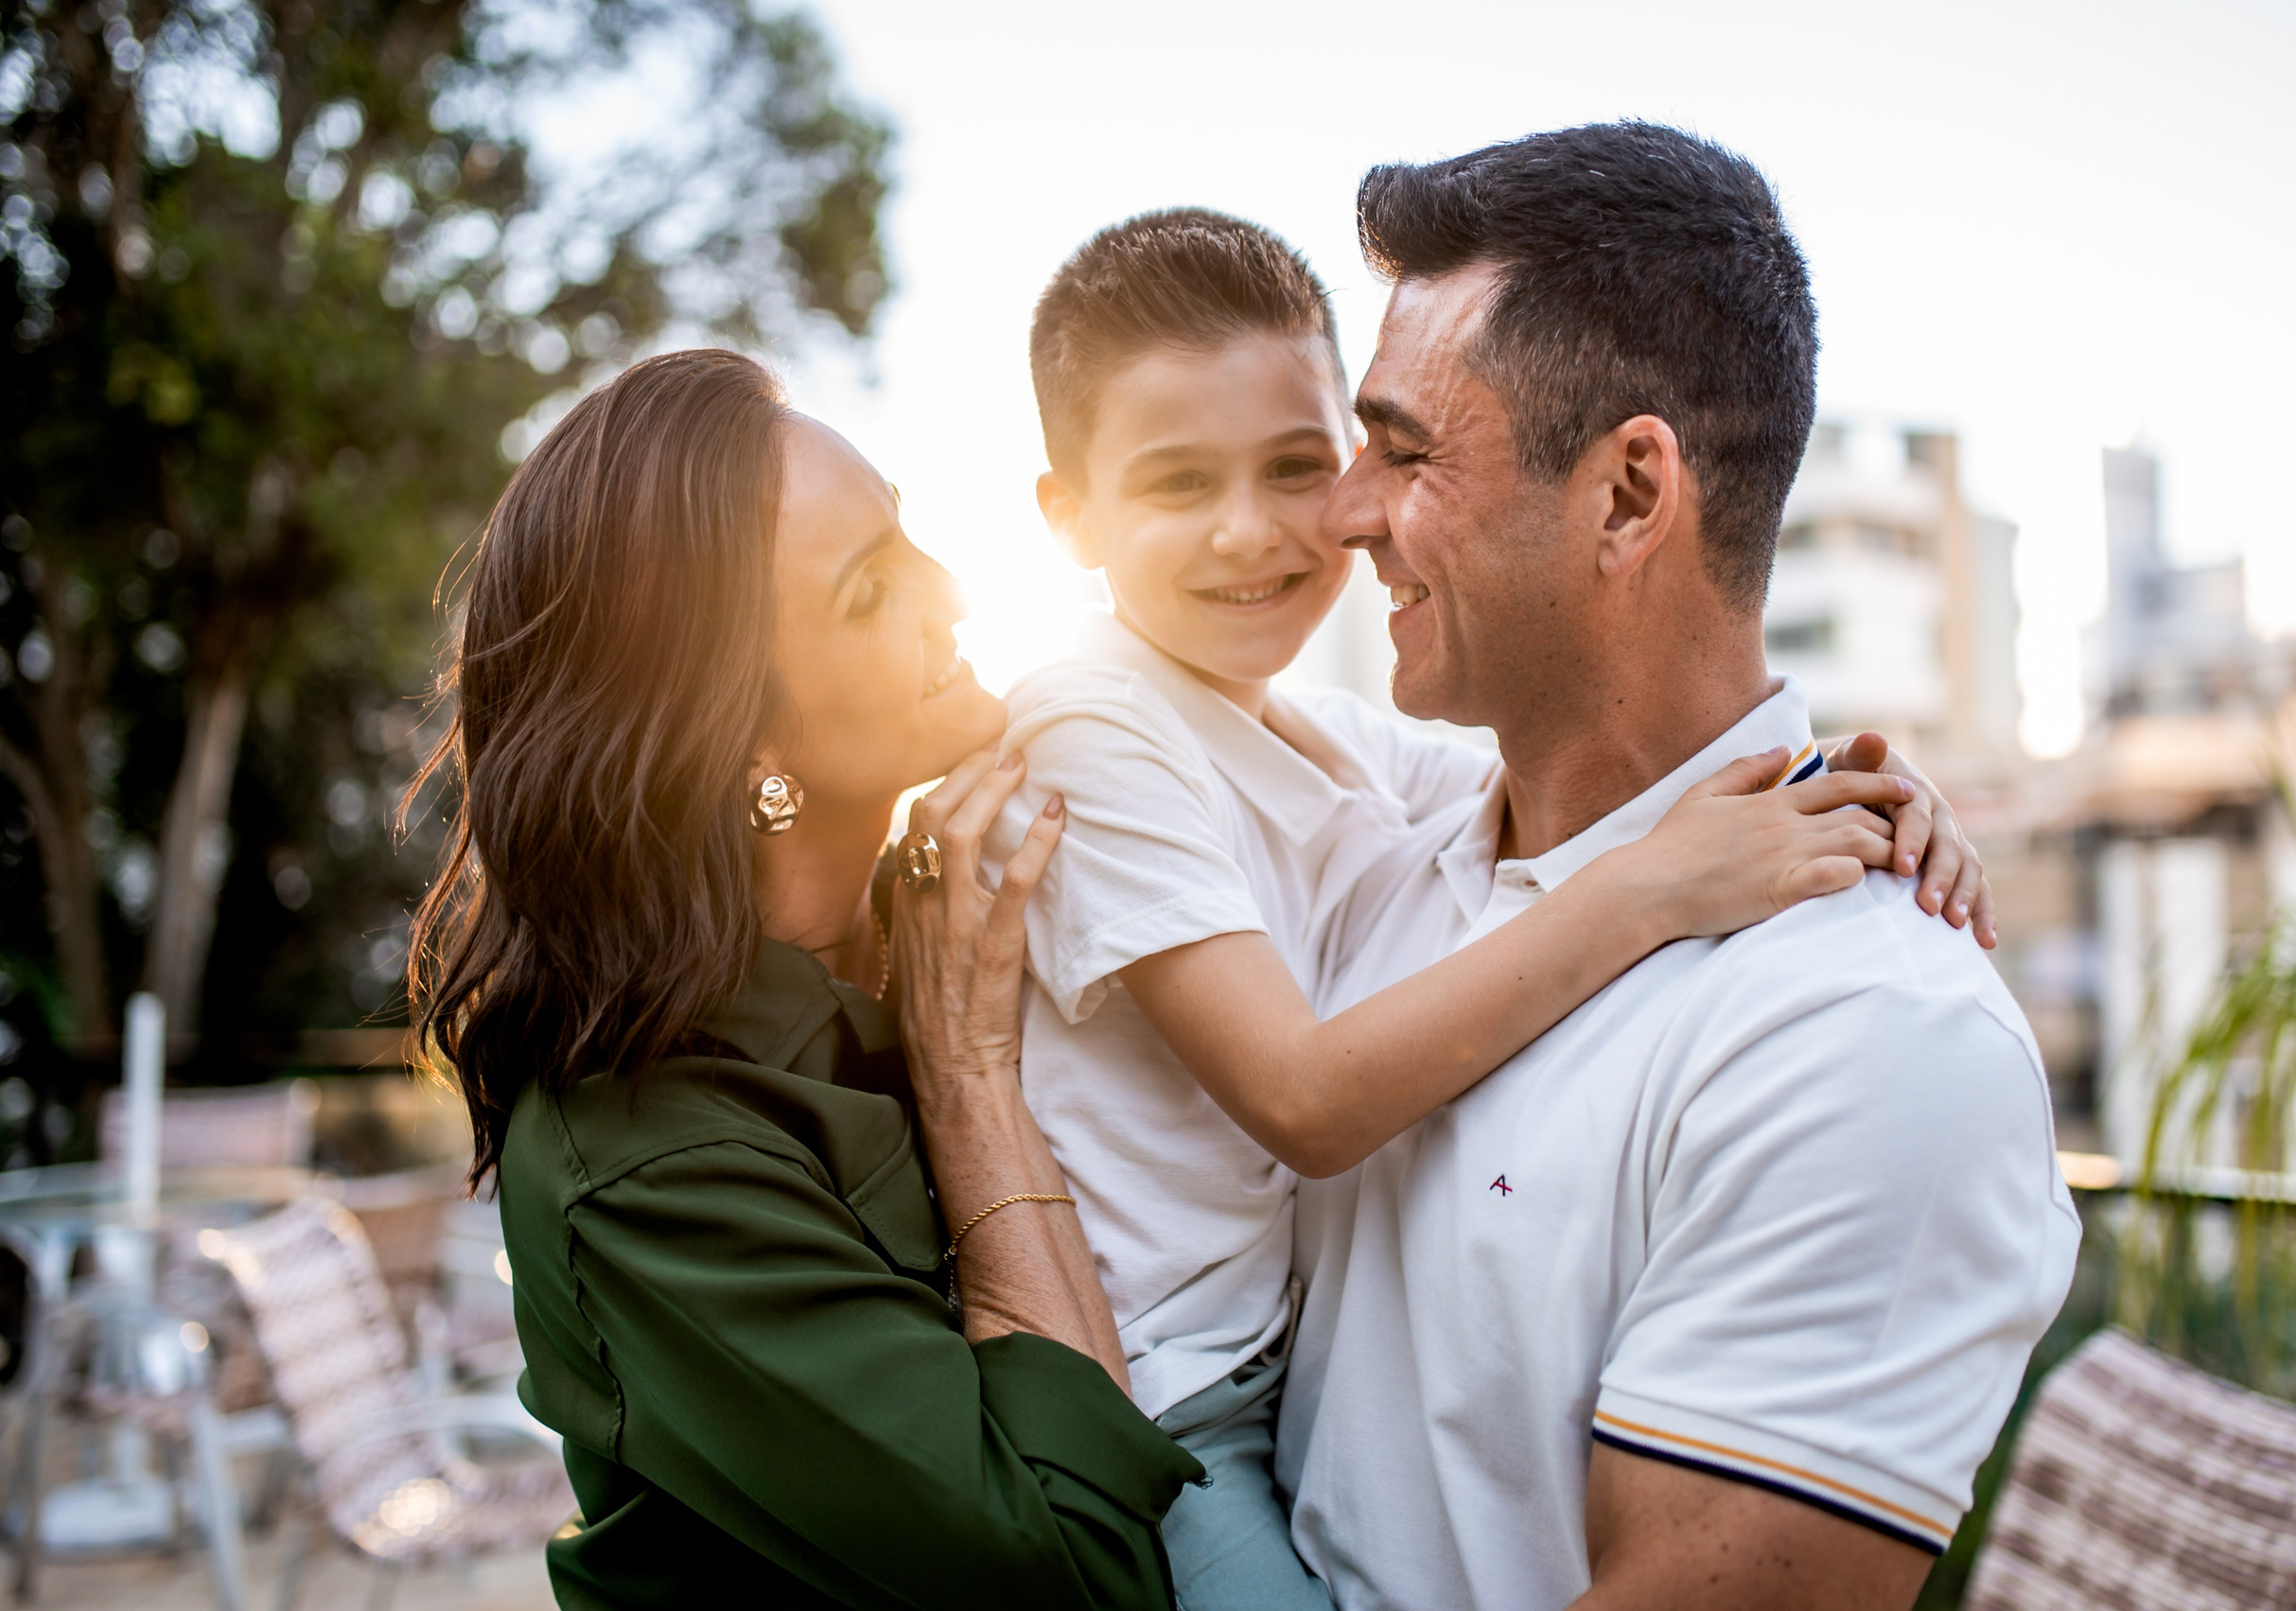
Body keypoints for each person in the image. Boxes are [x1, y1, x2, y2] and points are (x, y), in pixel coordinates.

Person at [985, 210, 1997, 1611]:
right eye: (1176, 484)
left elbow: (1621, 784)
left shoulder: (1335, 752)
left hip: (1239, 1384)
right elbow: (1303, 1092)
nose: (1311, 518)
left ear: (1633, 495)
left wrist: (1861, 792)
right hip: (1170, 1406)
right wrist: (1655, 888)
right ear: (1069, 518)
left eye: (1343, 459)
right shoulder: (1093, 722)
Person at [1271, 124, 2083, 1611]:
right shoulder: (1363, 841)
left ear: (1631, 495)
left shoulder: (1868, 1035)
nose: (1341, 516)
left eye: (1404, 452)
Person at [404, 348, 1203, 1610]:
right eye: (869, 589)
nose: (949, 589)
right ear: (745, 737)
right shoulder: (649, 1157)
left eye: (908, 532)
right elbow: (1077, 1583)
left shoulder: (947, 935)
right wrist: (972, 1090)